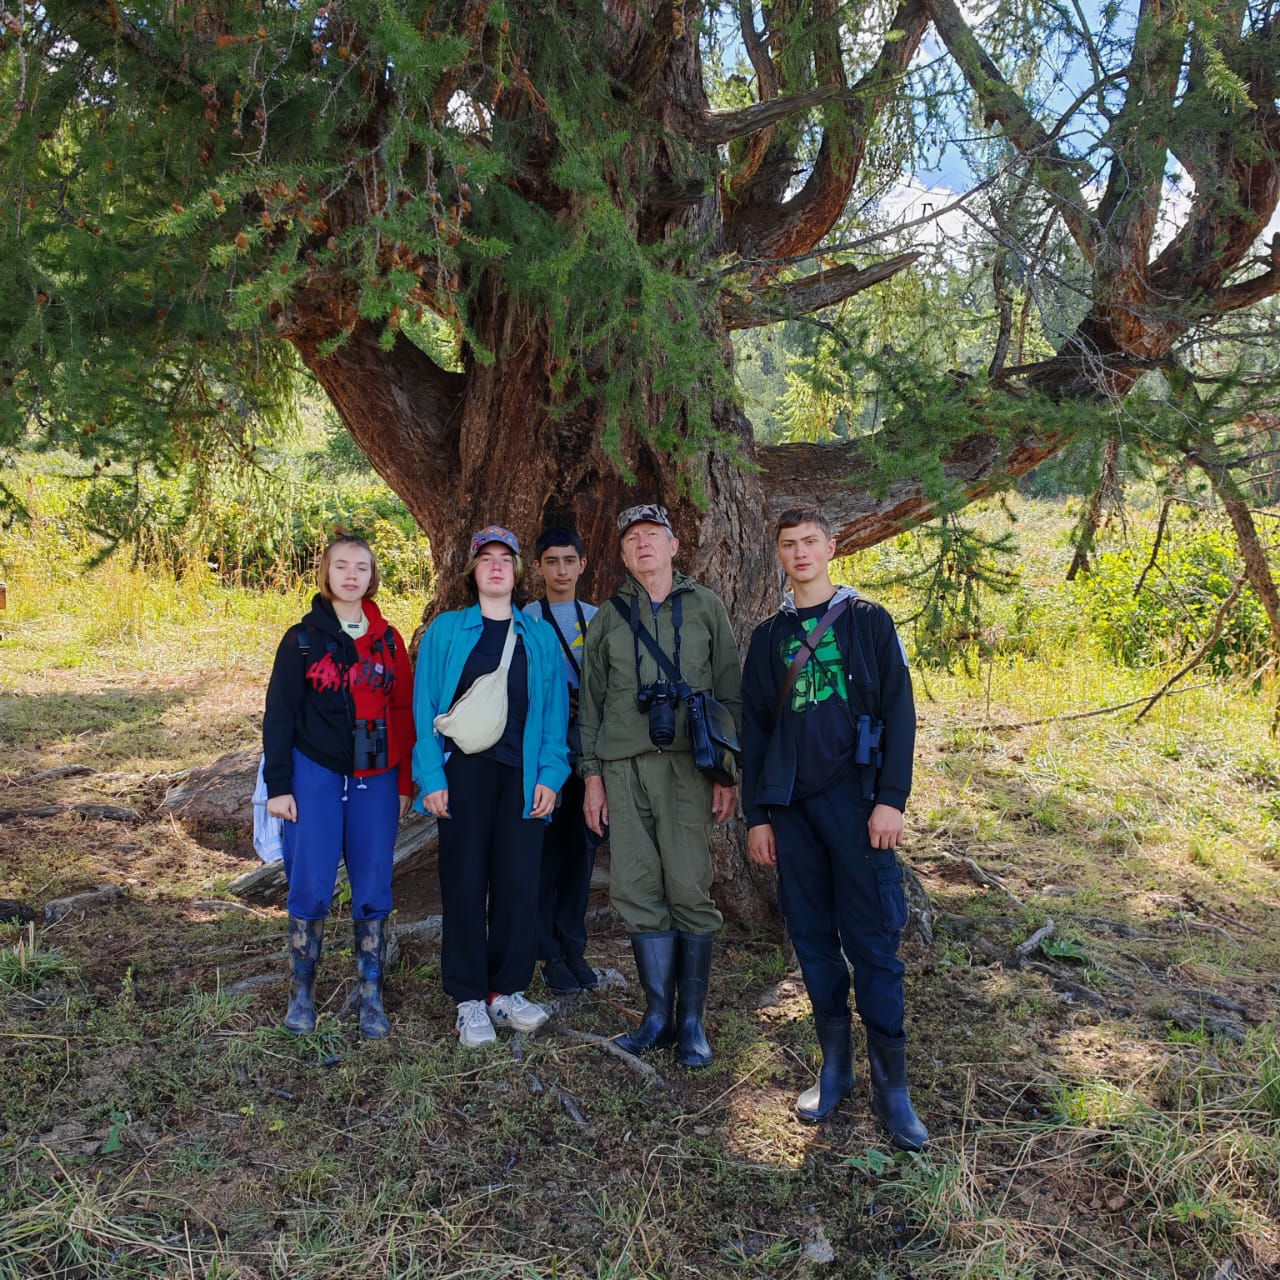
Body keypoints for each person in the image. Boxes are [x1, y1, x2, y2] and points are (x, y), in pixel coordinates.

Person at [741, 506, 927, 1150]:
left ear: (832, 548)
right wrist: (758, 816)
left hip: (858, 805)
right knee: (814, 941)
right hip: (792, 810)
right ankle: (836, 1069)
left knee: (873, 942)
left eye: (810, 542)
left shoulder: (869, 621)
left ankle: (892, 1089)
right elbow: (755, 731)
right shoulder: (768, 638)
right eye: (788, 544)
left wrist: (891, 799)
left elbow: (900, 710)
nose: (800, 553)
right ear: (778, 554)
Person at [578, 503, 741, 1067]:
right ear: (623, 555)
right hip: (622, 768)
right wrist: (591, 777)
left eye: (653, 535)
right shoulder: (608, 616)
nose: (643, 544)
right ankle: (656, 1017)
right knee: (635, 885)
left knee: (690, 885)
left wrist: (726, 774)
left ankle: (691, 1021)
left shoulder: (706, 607)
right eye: (632, 539)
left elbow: (729, 695)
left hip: (688, 768)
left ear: (673, 546)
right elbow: (590, 703)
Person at [412, 526, 571, 1048]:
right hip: (463, 774)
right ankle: (468, 998)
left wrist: (550, 776)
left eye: (506, 558)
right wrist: (431, 777)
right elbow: (424, 708)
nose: (497, 566)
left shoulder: (538, 636)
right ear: (473, 570)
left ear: (518, 570)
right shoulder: (447, 631)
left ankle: (506, 991)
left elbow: (555, 715)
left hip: (522, 778)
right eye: (487, 559)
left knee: (518, 882)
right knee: (463, 881)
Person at [263, 530, 415, 1040]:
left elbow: (402, 712)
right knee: (310, 880)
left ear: (373, 577)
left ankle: (370, 992)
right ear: (326, 573)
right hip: (315, 772)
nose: (352, 575)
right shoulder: (302, 639)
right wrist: (279, 785)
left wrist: (404, 782)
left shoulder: (389, 640)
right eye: (342, 566)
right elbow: (279, 716)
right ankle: (301, 992)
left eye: (362, 567)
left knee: (373, 882)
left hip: (377, 776)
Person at [524, 526, 600, 993]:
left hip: (588, 748)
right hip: (544, 747)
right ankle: (547, 951)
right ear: (537, 567)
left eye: (569, 560)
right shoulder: (526, 619)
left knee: (582, 849)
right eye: (551, 561)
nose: (561, 570)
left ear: (583, 565)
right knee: (545, 852)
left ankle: (574, 946)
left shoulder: (597, 618)